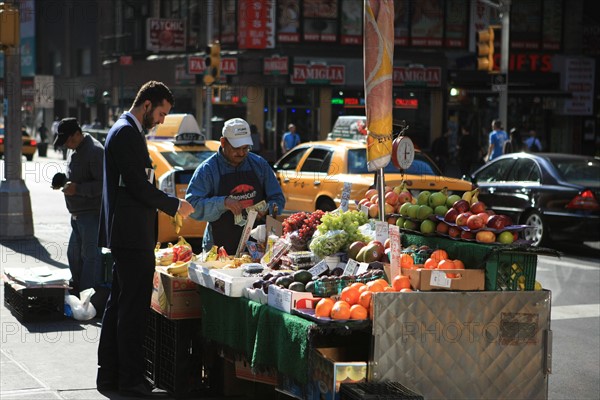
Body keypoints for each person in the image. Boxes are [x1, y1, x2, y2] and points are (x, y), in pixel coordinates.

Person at [96, 81, 195, 397]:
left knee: (119, 306)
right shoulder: (126, 132)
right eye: (162, 112)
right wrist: (174, 204)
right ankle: (130, 379)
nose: (162, 120)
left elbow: (137, 184)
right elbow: (139, 187)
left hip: (128, 234)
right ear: (148, 104)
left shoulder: (126, 131)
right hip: (131, 235)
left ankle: (110, 375)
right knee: (132, 310)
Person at [186, 117, 285, 255]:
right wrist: (223, 202)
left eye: (245, 148)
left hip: (257, 247)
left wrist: (269, 209)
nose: (241, 153)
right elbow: (192, 206)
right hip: (218, 248)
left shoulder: (259, 165)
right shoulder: (207, 170)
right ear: (223, 142)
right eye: (236, 148)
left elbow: (277, 198)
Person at [52, 118, 104, 297]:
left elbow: (104, 185)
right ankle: (79, 289)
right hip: (77, 214)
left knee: (90, 256)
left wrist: (78, 189)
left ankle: (88, 296)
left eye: (69, 140)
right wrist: (62, 181)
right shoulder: (75, 149)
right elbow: (76, 176)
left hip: (91, 213)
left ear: (77, 134)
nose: (67, 145)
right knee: (73, 254)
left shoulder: (95, 151)